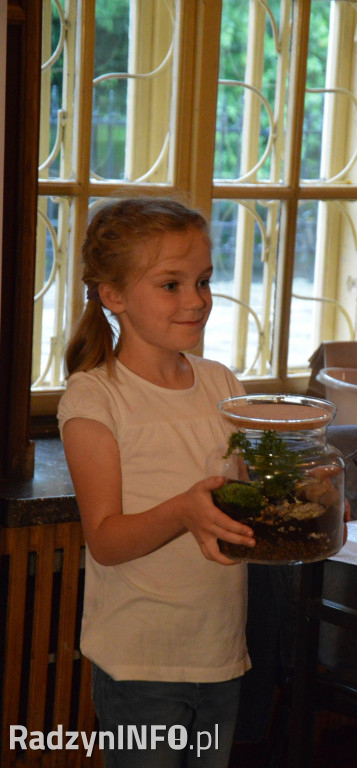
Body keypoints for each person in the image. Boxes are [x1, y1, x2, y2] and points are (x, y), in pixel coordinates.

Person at [57, 196, 257, 768]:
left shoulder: (222, 383)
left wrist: (304, 502)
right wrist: (184, 511)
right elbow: (106, 539)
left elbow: (244, 500)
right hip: (140, 664)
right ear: (113, 296)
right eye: (171, 284)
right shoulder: (96, 397)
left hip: (220, 652)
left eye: (203, 281)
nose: (196, 300)